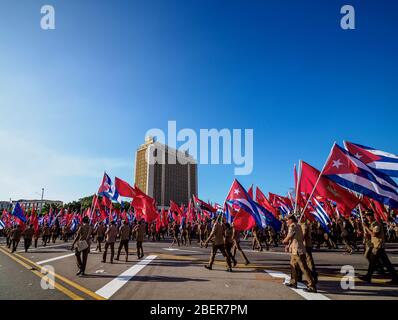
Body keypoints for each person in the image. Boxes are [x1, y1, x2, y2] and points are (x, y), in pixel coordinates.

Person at [359, 211, 398, 284]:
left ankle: (369, 276)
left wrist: (366, 228)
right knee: (380, 262)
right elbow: (371, 235)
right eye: (366, 215)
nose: (367, 217)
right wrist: (366, 234)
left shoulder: (376, 224)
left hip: (378, 246)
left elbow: (374, 234)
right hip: (375, 246)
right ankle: (394, 277)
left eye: (369, 215)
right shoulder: (372, 224)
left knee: (374, 261)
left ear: (372, 216)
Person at [282, 215, 317, 292]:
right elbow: (294, 238)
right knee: (293, 266)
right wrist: (288, 246)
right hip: (295, 250)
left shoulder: (293, 226)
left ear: (291, 220)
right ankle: (293, 282)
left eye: (287, 220)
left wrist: (284, 241)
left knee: (304, 268)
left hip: (298, 250)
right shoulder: (297, 225)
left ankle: (312, 286)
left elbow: (289, 236)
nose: (286, 221)